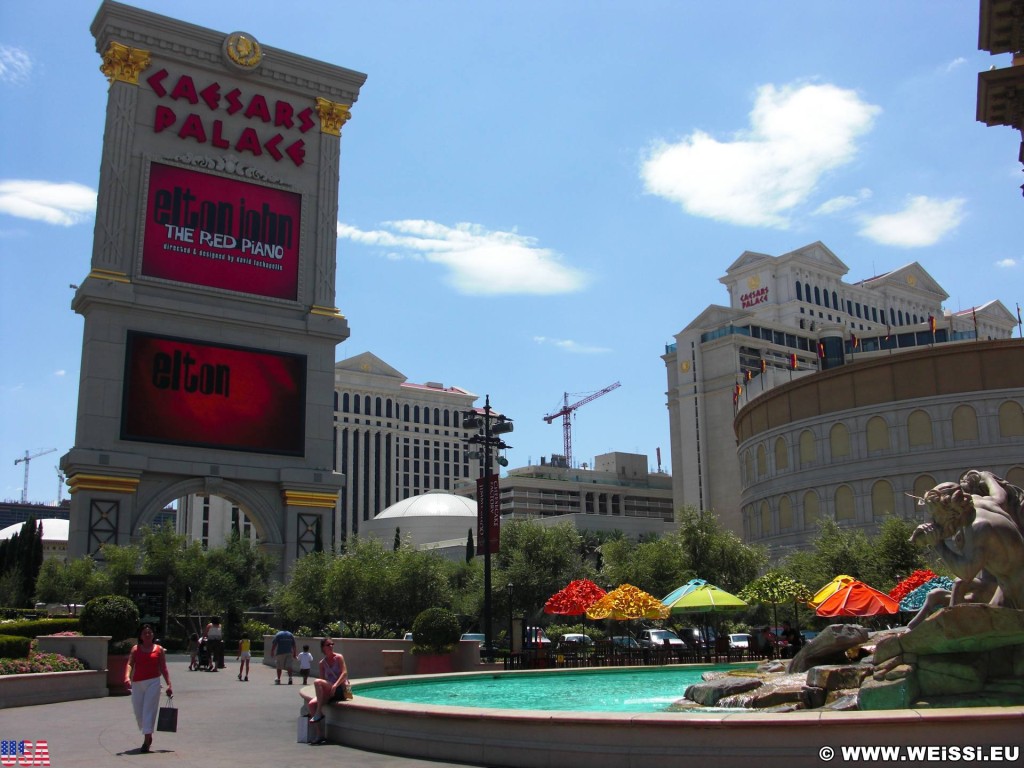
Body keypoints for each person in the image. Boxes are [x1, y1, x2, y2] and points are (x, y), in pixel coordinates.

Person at [125, 624, 172, 754]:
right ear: (140, 636)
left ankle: (146, 740)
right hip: (137, 684)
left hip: (153, 682)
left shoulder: (159, 649)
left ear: (153, 635)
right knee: (139, 712)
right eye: (145, 633)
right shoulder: (135, 649)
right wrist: (127, 677)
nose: (147, 635)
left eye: (150, 632)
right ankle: (148, 733)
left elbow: (163, 668)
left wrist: (169, 684)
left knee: (148, 711)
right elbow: (130, 664)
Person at [306, 638, 349, 745]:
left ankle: (319, 711)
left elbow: (344, 673)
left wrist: (334, 685)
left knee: (317, 682)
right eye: (328, 645)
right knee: (311, 704)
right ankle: (319, 734)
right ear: (323, 648)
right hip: (331, 690)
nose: (331, 646)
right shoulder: (322, 663)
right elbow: (322, 681)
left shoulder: (339, 657)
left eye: (332, 644)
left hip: (341, 689)